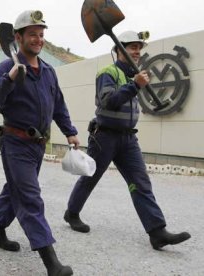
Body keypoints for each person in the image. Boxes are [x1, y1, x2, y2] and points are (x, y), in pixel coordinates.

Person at [63, 31, 191, 251]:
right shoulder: (108, 73)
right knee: (90, 176)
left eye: (139, 48)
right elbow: (108, 101)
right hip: (104, 136)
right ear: (118, 49)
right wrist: (135, 85)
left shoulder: (135, 76)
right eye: (132, 47)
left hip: (128, 138)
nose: (137, 52)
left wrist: (136, 83)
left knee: (140, 182)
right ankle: (72, 213)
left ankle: (157, 232)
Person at [0, 10, 79, 276]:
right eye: (32, 35)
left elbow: (57, 104)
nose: (38, 40)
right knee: (29, 197)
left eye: (41, 35)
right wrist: (10, 78)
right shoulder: (7, 67)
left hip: (37, 145)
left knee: (14, 189)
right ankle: (52, 263)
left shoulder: (48, 71)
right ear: (18, 37)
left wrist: (69, 131)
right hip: (15, 142)